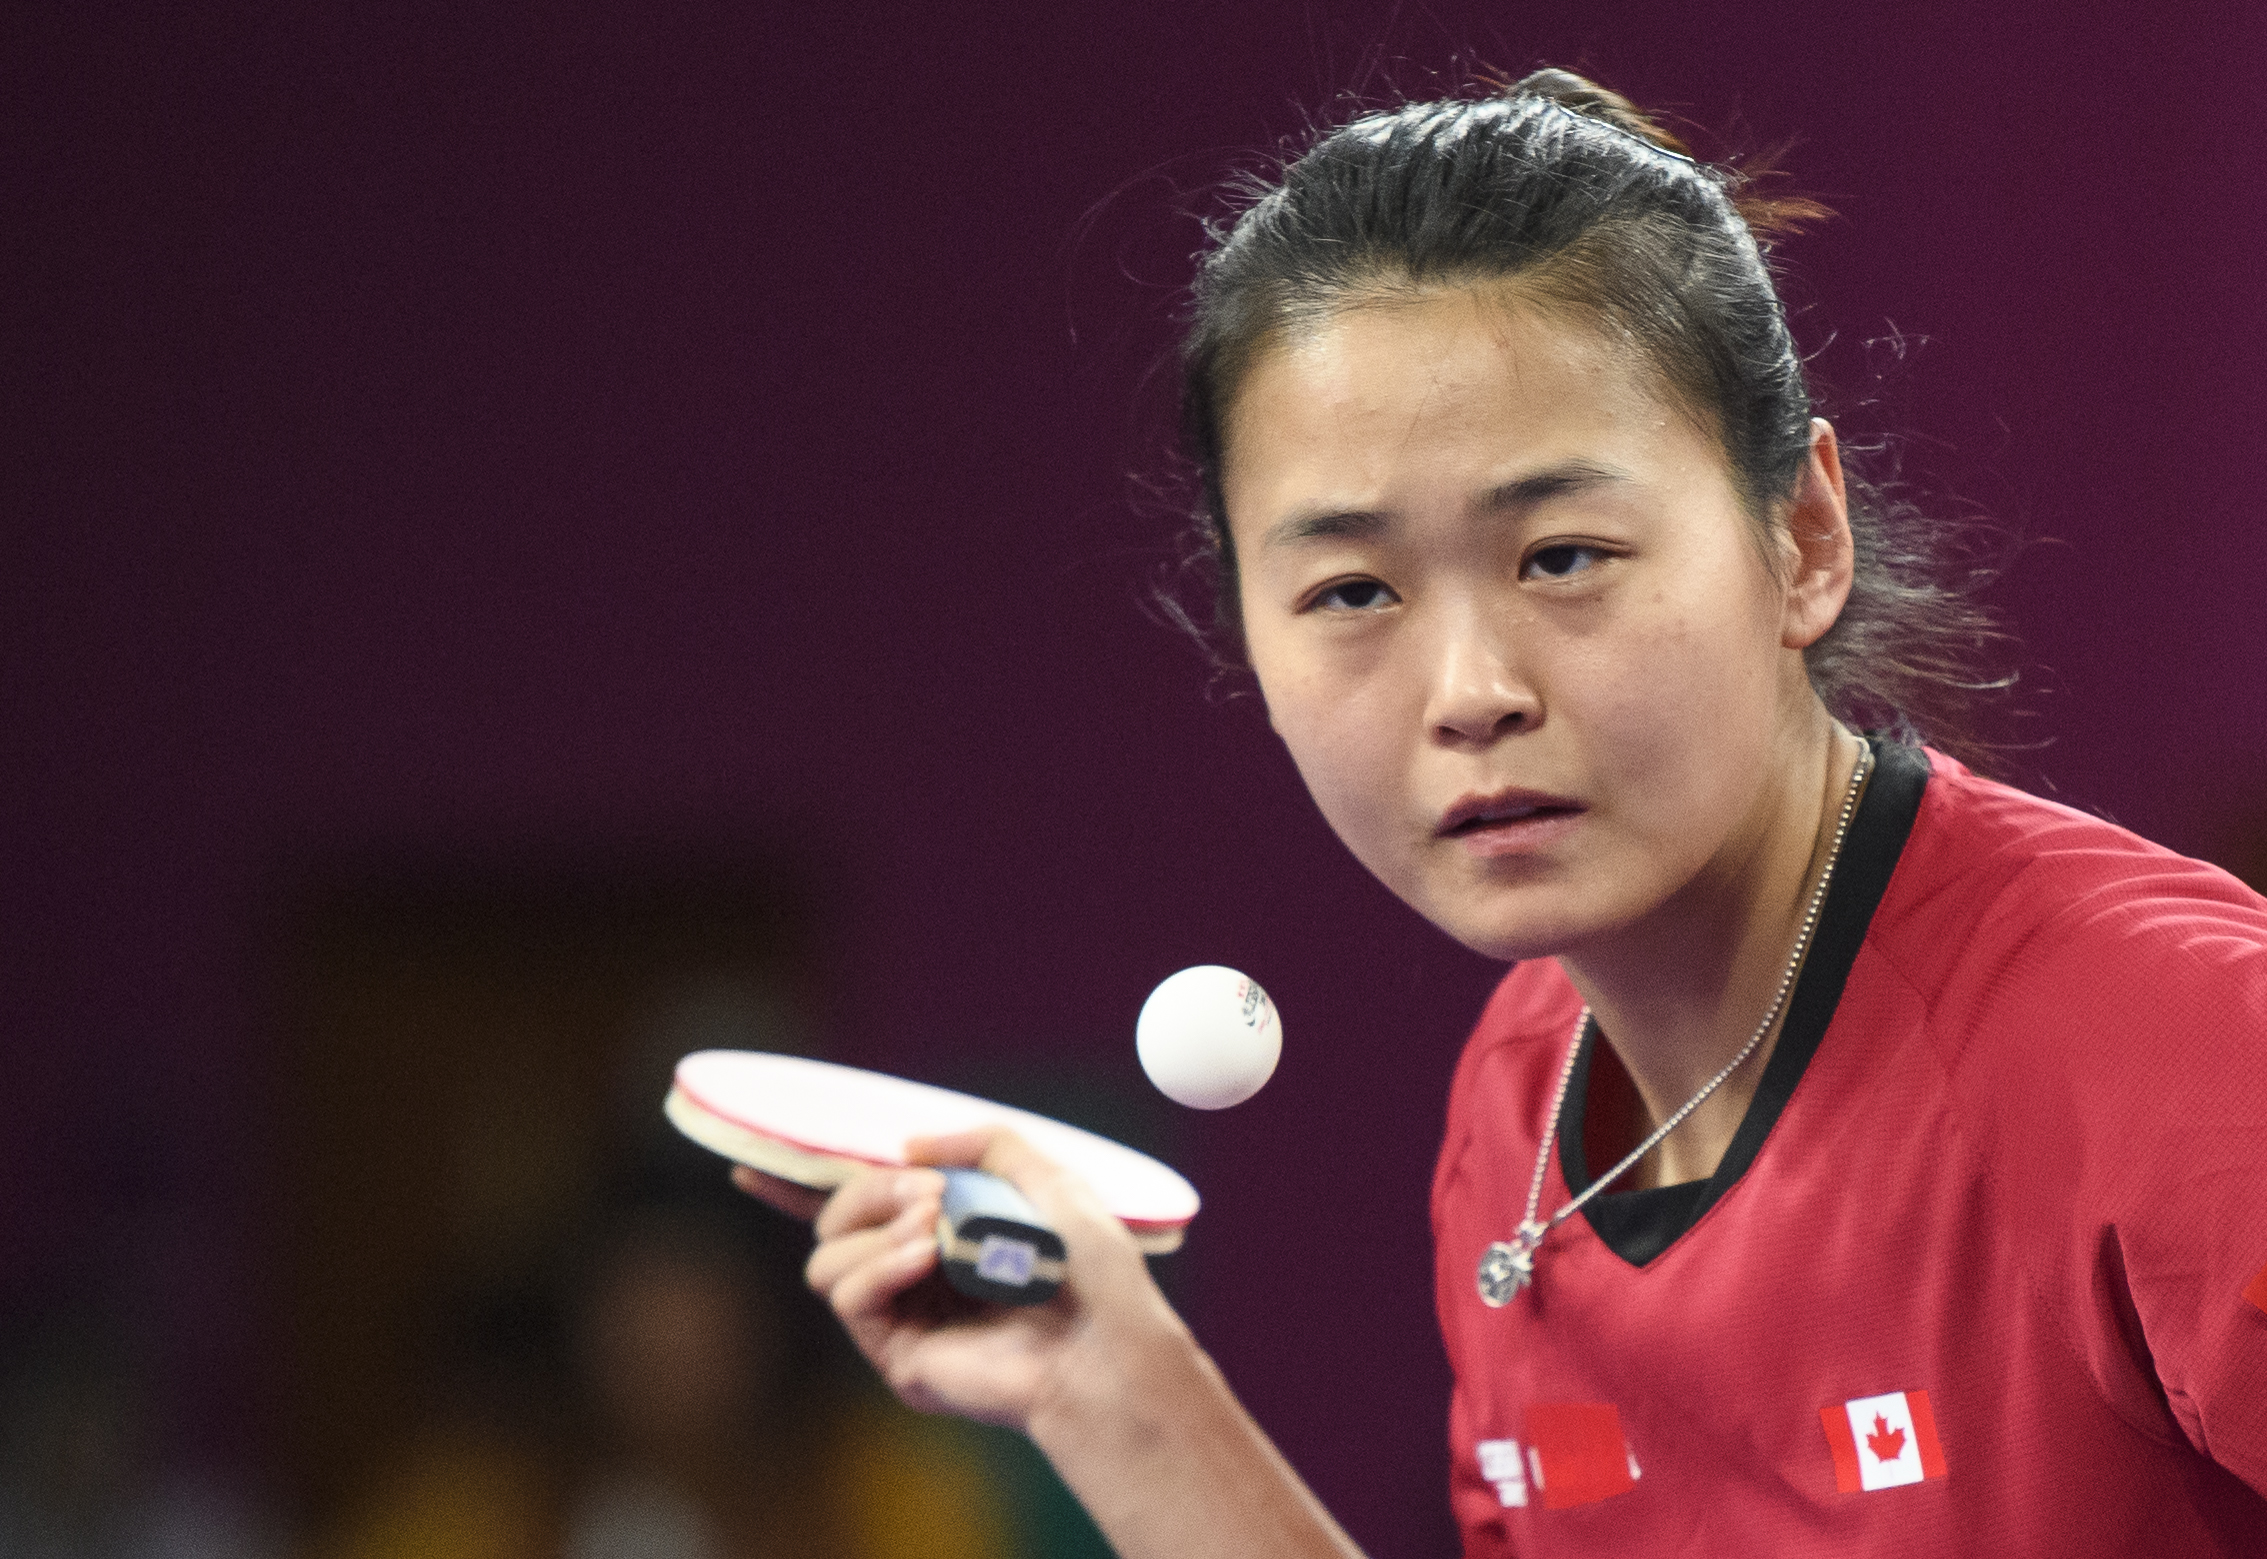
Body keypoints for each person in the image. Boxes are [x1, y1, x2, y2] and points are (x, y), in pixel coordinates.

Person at [739, 70, 2267, 1555]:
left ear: (1800, 539)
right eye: (1351, 592)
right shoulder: (1522, 1108)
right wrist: (1118, 1393)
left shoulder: (2178, 1051)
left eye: (1561, 557)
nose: (1468, 689)